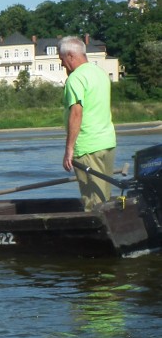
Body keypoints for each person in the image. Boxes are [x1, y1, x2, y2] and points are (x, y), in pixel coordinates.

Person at [58, 36, 117, 211]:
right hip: (107, 143)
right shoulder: (100, 73)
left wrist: (69, 149)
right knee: (104, 197)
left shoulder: (76, 78)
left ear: (70, 56)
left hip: (87, 146)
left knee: (93, 203)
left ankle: (98, 237)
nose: (62, 65)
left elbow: (76, 113)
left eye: (61, 60)